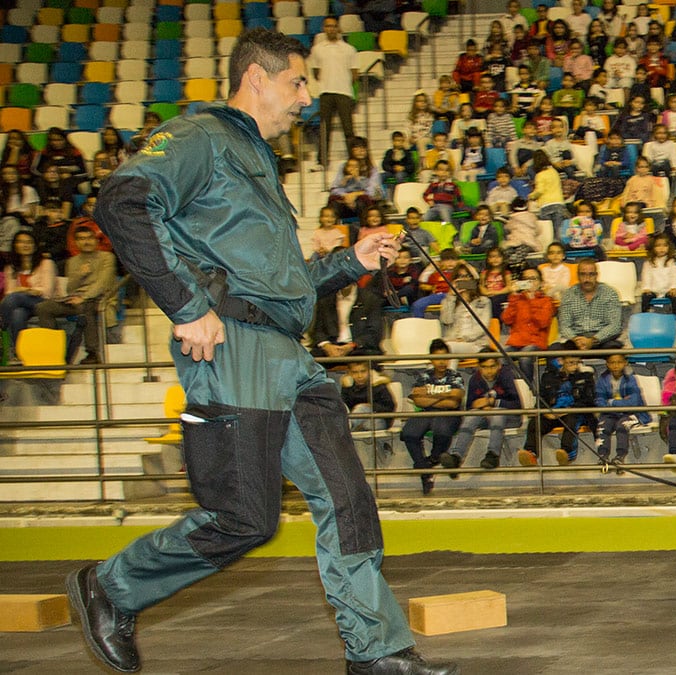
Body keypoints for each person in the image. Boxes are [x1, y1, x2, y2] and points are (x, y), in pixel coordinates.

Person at [80, 30, 458, 674]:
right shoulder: (202, 137)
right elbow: (122, 201)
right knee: (244, 518)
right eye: (298, 82)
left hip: (288, 354)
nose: (308, 97)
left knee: (346, 498)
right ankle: (113, 587)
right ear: (256, 78)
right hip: (233, 347)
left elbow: (284, 286)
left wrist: (351, 260)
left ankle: (378, 653)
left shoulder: (260, 164)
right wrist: (186, 304)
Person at [34, 228, 117, 364]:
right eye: (82, 239)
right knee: (43, 307)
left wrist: (84, 297)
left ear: (96, 240)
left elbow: (103, 283)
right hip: (76, 298)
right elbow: (70, 288)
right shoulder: (72, 261)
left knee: (86, 308)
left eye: (90, 238)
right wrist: (80, 274)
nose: (86, 242)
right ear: (76, 242)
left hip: (100, 299)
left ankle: (93, 353)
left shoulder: (107, 257)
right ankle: (53, 349)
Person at [402, 338, 466, 496]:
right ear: (431, 358)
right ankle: (424, 468)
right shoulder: (424, 376)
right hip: (426, 412)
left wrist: (430, 396)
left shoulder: (455, 376)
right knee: (408, 433)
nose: (442, 362)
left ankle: (432, 461)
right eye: (438, 358)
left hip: (449, 414)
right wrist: (445, 395)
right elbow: (417, 399)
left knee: (442, 430)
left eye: (445, 358)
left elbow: (454, 401)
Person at [442, 357, 522, 471]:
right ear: (479, 367)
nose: (489, 371)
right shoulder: (475, 379)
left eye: (492, 366)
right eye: (484, 367)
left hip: (510, 418)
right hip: (485, 417)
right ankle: (456, 456)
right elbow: (470, 406)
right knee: (471, 416)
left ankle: (492, 455)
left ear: (499, 365)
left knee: (497, 413)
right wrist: (480, 406)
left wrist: (494, 402)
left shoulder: (506, 376)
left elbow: (517, 405)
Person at [519, 349, 595, 466]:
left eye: (576, 363)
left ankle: (566, 453)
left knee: (572, 420)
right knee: (535, 422)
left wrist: (568, 410)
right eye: (570, 363)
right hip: (553, 413)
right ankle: (531, 453)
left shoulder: (585, 377)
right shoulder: (548, 377)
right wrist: (545, 412)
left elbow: (588, 401)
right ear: (562, 362)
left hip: (573, 412)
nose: (574, 366)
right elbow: (541, 399)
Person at [309, 18, 358, 169]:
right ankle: (322, 162)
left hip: (344, 92)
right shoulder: (317, 49)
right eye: (328, 26)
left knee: (348, 129)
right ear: (324, 28)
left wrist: (342, 83)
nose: (331, 29)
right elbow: (316, 71)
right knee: (325, 128)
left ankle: (354, 161)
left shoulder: (349, 49)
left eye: (334, 26)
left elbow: (354, 74)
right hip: (326, 92)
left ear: (338, 28)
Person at [0, 231, 56, 362]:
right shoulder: (11, 268)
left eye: (28, 242)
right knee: (17, 314)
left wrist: (24, 290)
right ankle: (18, 352)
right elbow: (9, 292)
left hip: (44, 303)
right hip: (22, 305)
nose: (25, 245)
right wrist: (25, 291)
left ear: (35, 246)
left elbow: (47, 291)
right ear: (15, 246)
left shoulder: (46, 263)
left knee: (14, 298)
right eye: (21, 242)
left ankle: (2, 331)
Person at [550, 258, 624, 352]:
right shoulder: (569, 294)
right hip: (576, 340)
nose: (587, 279)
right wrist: (576, 340)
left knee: (615, 351)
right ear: (577, 276)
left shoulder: (609, 293)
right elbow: (564, 326)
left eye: (591, 274)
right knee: (554, 350)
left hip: (602, 340)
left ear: (597, 275)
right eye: (583, 274)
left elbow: (615, 325)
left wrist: (593, 340)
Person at [502, 266, 555, 382]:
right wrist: (514, 297)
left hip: (536, 342)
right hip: (516, 342)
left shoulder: (546, 301)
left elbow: (543, 323)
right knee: (500, 357)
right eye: (526, 279)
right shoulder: (517, 299)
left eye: (533, 279)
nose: (530, 282)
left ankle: (529, 389)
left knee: (525, 357)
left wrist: (532, 301)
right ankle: (512, 387)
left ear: (540, 283)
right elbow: (507, 320)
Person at [595, 353, 650, 462]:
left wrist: (612, 402)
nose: (616, 365)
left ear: (625, 363)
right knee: (602, 426)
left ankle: (620, 456)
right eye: (612, 362)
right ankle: (602, 455)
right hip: (610, 414)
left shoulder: (631, 379)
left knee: (622, 426)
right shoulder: (602, 379)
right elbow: (599, 400)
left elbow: (633, 402)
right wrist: (621, 402)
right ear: (607, 364)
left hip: (632, 414)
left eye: (619, 362)